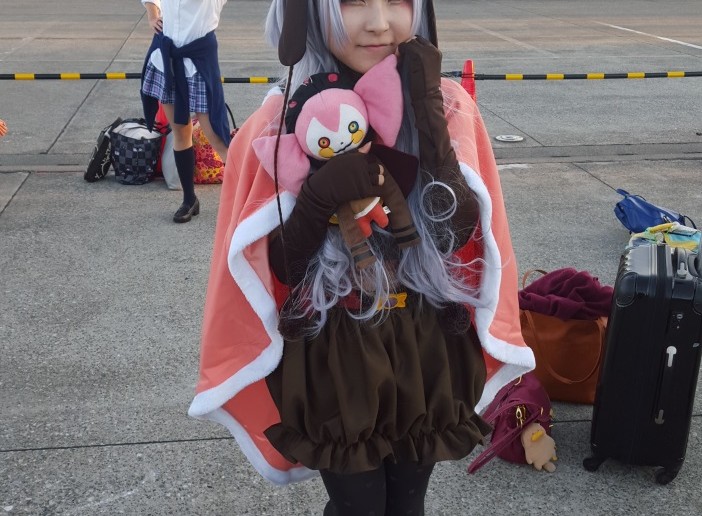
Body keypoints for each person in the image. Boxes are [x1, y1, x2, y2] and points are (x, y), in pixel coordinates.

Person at [188, 0, 536, 514]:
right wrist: (317, 199)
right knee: (359, 507)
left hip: (423, 343)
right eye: (352, 2)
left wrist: (429, 117)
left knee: (409, 505)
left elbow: (457, 235)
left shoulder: (447, 106)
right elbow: (280, 270)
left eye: (396, 0)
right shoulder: (280, 123)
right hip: (337, 353)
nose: (379, 23)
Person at [140, 0, 231, 223]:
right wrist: (152, 14)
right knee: (180, 131)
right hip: (167, 58)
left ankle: (244, 201)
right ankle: (189, 199)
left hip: (199, 61)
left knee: (217, 137)